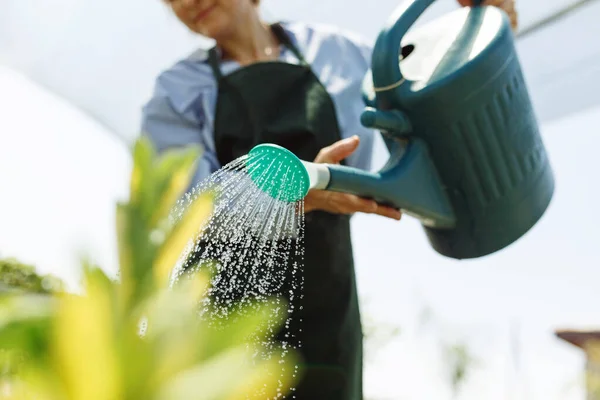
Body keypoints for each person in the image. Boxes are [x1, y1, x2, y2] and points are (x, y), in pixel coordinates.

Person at [141, 0, 518, 398]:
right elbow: (192, 205)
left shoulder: (338, 52)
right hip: (218, 310)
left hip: (326, 306)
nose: (185, 3)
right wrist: (299, 199)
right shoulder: (178, 91)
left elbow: (431, 76)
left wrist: (491, 20)